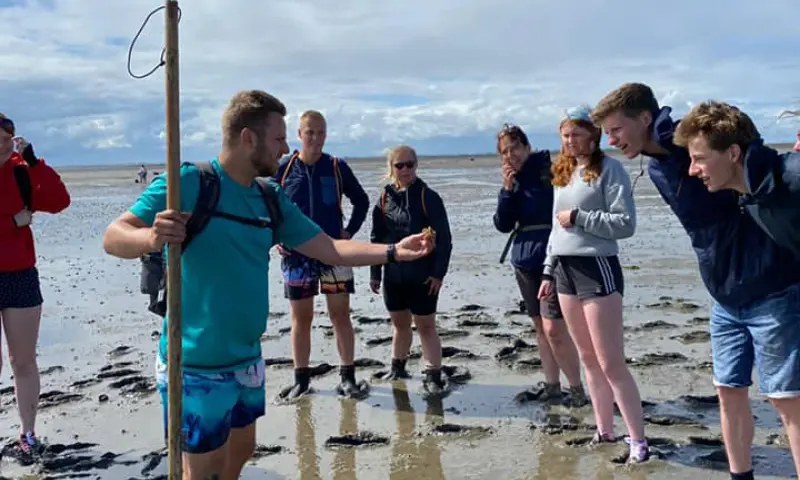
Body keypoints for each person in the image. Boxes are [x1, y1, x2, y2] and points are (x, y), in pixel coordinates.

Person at [102, 90, 433, 480]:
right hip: (194, 363)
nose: (286, 148)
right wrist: (151, 238)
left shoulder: (269, 197)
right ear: (248, 138)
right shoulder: (191, 182)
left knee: (241, 452)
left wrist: (393, 251)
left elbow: (330, 248)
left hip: (247, 359)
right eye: (278, 138)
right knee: (202, 470)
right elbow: (113, 235)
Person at [591, 83, 800, 480]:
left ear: (645, 119)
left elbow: (741, 145)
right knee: (728, 391)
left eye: (615, 129)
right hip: (723, 294)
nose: (611, 140)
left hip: (772, 289)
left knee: (787, 401)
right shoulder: (658, 165)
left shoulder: (683, 141)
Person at [536, 105, 648, 463]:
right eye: (565, 135)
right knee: (587, 358)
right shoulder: (563, 171)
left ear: (594, 135)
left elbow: (625, 224)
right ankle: (604, 432)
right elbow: (555, 229)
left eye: (577, 134)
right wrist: (548, 270)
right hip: (564, 271)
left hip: (598, 268)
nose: (570, 141)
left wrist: (580, 217)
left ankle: (638, 442)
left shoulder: (610, 170)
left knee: (610, 362)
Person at [273, 109, 372, 400]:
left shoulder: (337, 167)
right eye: (310, 132)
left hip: (333, 253)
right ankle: (301, 380)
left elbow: (362, 201)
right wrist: (276, 235)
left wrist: (348, 232)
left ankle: (348, 377)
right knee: (301, 318)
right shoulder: (284, 169)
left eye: (321, 133)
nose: (316, 138)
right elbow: (265, 205)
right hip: (296, 256)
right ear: (299, 134)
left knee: (340, 315)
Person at [493, 123, 587, 407]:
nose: (511, 155)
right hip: (524, 260)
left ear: (527, 147)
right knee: (540, 327)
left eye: (515, 148)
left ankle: (577, 390)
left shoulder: (551, 171)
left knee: (555, 328)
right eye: (504, 152)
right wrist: (507, 191)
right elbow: (503, 224)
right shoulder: (513, 182)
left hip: (554, 258)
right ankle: (552, 387)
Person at [0, 113, 71, 456]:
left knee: (23, 361)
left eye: (6, 139)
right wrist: (12, 222)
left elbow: (59, 201)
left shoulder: (21, 170)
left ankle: (27, 434)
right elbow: (15, 219)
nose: (2, 145)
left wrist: (34, 161)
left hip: (20, 275)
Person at [369, 145, 453, 396]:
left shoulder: (429, 197)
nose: (405, 170)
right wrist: (375, 273)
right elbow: (376, 239)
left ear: (416, 165)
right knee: (399, 324)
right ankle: (397, 367)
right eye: (399, 165)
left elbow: (445, 240)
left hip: (423, 275)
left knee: (426, 326)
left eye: (410, 165)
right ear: (391, 168)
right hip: (393, 276)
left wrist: (438, 274)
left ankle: (433, 373)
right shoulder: (383, 200)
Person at [671, 101, 800, 257]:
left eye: (700, 159)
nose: (692, 171)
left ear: (733, 153)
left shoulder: (793, 175)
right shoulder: (752, 199)